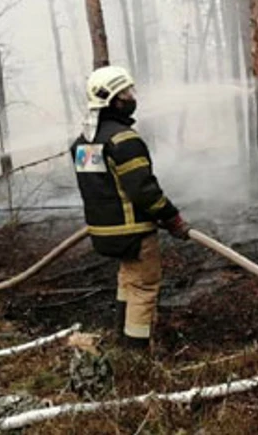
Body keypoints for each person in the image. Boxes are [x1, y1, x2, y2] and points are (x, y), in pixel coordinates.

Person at [71, 66, 190, 350]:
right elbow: (143, 190)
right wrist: (171, 217)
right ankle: (135, 359)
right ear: (112, 99)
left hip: (103, 231)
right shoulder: (123, 140)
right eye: (125, 92)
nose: (131, 96)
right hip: (134, 233)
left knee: (128, 282)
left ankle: (121, 341)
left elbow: (102, 187)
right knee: (143, 289)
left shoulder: (85, 142)